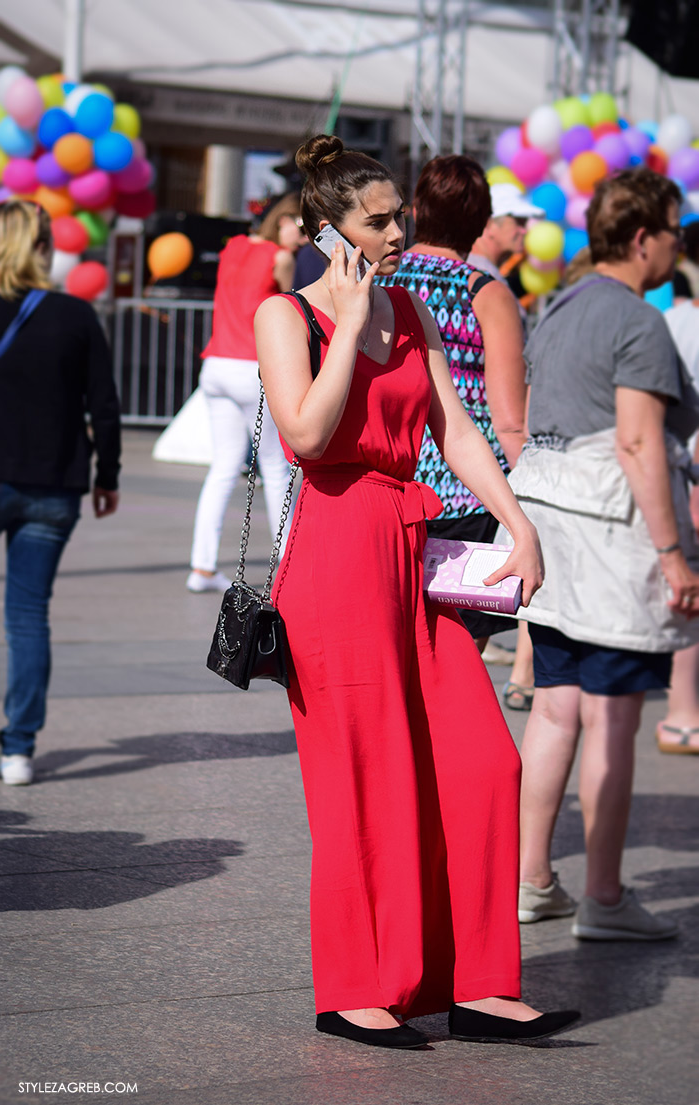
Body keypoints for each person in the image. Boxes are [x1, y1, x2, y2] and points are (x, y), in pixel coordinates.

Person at [254, 134, 578, 1049]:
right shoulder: (290, 315)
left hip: (413, 547)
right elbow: (310, 438)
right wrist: (350, 325)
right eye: (379, 219)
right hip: (334, 551)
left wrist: (517, 522)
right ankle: (357, 986)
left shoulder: (412, 307)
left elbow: (458, 429)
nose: (398, 232)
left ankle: (478, 984)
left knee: (484, 762)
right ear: (328, 229)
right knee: (363, 779)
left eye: (399, 216)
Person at [506, 169, 699, 939]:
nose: (678, 246)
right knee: (613, 721)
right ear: (645, 237)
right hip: (611, 540)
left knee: (553, 711)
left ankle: (531, 879)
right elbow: (637, 439)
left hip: (549, 533)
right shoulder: (636, 320)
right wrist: (674, 554)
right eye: (676, 232)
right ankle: (606, 898)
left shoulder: (560, 306)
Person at [378, 154, 527, 658]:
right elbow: (508, 418)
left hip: (393, 479)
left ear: (416, 208)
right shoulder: (484, 292)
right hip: (466, 493)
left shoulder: (380, 281)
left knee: (398, 646)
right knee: (457, 656)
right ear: (482, 222)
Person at [0, 200, 120, 786]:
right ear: (45, 248)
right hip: (54, 483)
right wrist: (108, 476)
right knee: (27, 616)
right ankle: (18, 748)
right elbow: (105, 404)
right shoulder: (74, 314)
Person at [187, 194, 304, 593]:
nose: (303, 239)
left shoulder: (233, 247)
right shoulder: (280, 257)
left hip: (216, 364)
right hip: (250, 366)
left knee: (222, 468)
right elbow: (291, 310)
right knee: (275, 467)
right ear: (283, 221)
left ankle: (201, 567)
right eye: (300, 228)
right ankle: (289, 562)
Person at [466, 180, 546, 709]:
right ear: (489, 223)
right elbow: (507, 403)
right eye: (516, 220)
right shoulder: (484, 283)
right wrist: (525, 471)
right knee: (466, 620)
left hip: (447, 462)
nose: (524, 231)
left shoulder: (479, 277)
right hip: (474, 467)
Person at [655, 288, 699, 753]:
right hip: (688, 469)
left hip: (675, 470)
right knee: (690, 586)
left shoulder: (669, 319)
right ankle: (684, 714)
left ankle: (681, 710)